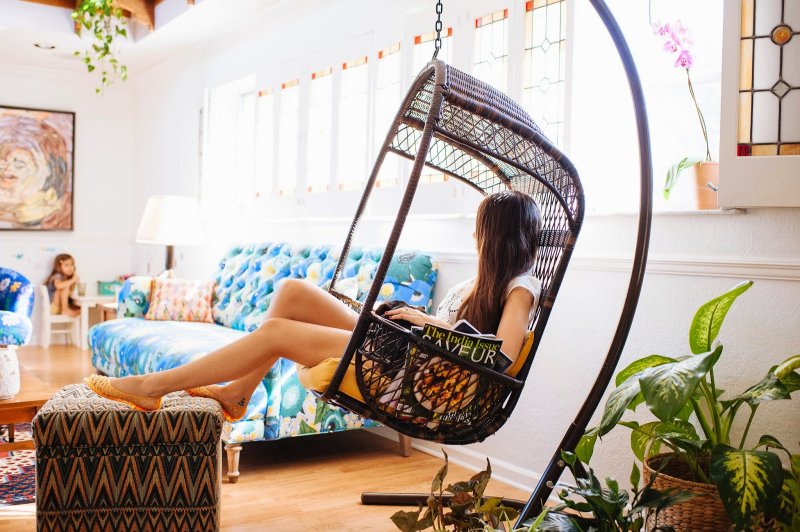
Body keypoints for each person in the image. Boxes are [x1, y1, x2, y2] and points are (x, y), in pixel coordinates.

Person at [86, 191, 543, 422]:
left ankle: (151, 386)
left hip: (419, 372)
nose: (473, 237)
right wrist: (400, 316)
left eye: (479, 229)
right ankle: (239, 393)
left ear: (496, 237)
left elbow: (499, 355)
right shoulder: (483, 281)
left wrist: (424, 323)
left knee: (277, 334)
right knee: (291, 290)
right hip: (408, 348)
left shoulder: (521, 288)